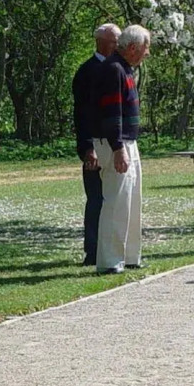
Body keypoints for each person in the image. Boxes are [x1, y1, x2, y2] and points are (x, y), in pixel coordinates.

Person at [95, 25, 151, 275]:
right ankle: (109, 260)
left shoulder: (125, 68)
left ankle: (130, 256)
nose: (147, 54)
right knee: (116, 202)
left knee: (131, 202)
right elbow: (111, 112)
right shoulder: (113, 69)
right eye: (145, 48)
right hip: (117, 143)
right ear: (132, 48)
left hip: (129, 142)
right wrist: (118, 148)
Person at [73, 23, 121, 266]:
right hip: (95, 144)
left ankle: (111, 248)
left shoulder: (118, 68)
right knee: (95, 199)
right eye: (114, 42)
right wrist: (87, 147)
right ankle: (92, 252)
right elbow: (81, 114)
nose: (117, 46)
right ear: (101, 42)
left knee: (113, 198)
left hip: (114, 144)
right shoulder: (87, 71)